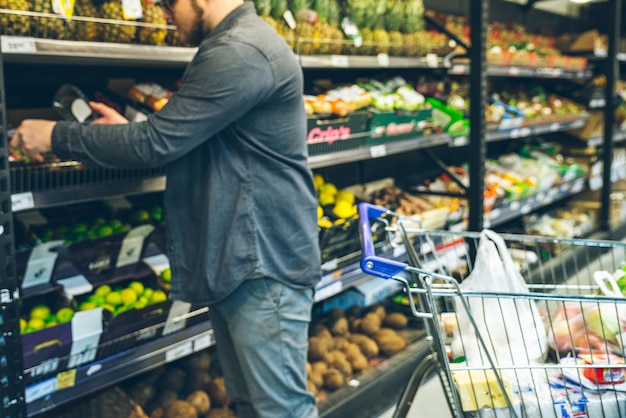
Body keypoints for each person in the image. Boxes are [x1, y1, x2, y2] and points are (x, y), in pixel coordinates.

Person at [11, 0, 321, 417]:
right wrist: (132, 132)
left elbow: (155, 145)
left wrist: (55, 136)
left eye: (168, 3)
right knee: (252, 405)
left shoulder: (242, 49)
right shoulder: (235, 44)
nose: (164, 13)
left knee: (281, 409)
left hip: (262, 262)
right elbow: (183, 139)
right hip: (245, 259)